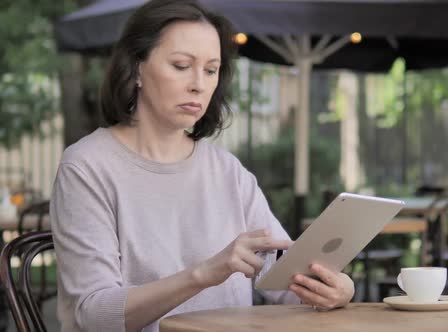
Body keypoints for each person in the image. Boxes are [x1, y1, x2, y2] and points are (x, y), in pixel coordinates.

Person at [50, 0, 354, 331]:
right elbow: (95, 314)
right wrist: (203, 274)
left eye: (211, 70)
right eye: (181, 65)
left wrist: (337, 288)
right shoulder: (87, 167)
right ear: (136, 68)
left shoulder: (227, 170)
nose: (199, 84)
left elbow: (285, 281)